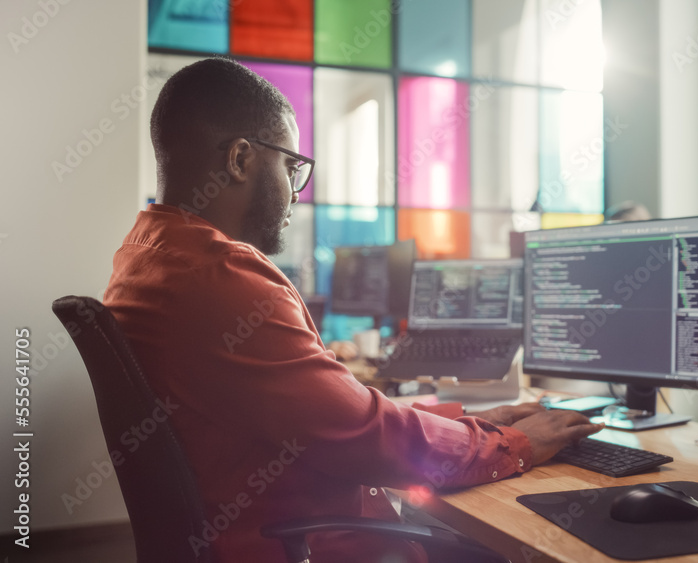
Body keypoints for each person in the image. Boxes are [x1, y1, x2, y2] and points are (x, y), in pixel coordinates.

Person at [103, 57, 602, 563]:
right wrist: (515, 444)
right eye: (292, 166)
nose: (297, 191)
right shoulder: (223, 278)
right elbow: (368, 438)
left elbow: (336, 413)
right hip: (313, 545)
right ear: (239, 159)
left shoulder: (143, 255)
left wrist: (475, 421)